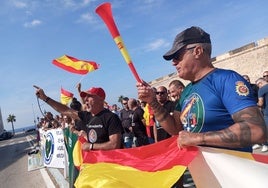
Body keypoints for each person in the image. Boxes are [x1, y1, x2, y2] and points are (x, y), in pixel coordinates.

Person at [136, 26, 266, 153]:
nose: (173, 62)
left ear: (197, 51)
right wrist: (152, 101)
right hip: (202, 172)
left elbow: (256, 130)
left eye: (177, 56)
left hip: (231, 171)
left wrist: (198, 138)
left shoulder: (226, 79)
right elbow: (176, 130)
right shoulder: (187, 91)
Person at [34, 85, 123, 151]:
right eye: (85, 97)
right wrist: (45, 98)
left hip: (110, 166)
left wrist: (91, 146)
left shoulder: (111, 117)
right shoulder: (87, 116)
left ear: (101, 99)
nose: (86, 100)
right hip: (94, 165)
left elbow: (114, 145)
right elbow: (65, 110)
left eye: (89, 97)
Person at [253, 78, 268, 152]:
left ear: (260, 83)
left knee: (264, 129)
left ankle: (265, 145)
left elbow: (261, 103)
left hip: (266, 113)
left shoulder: (261, 90)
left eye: (258, 85)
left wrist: (254, 105)